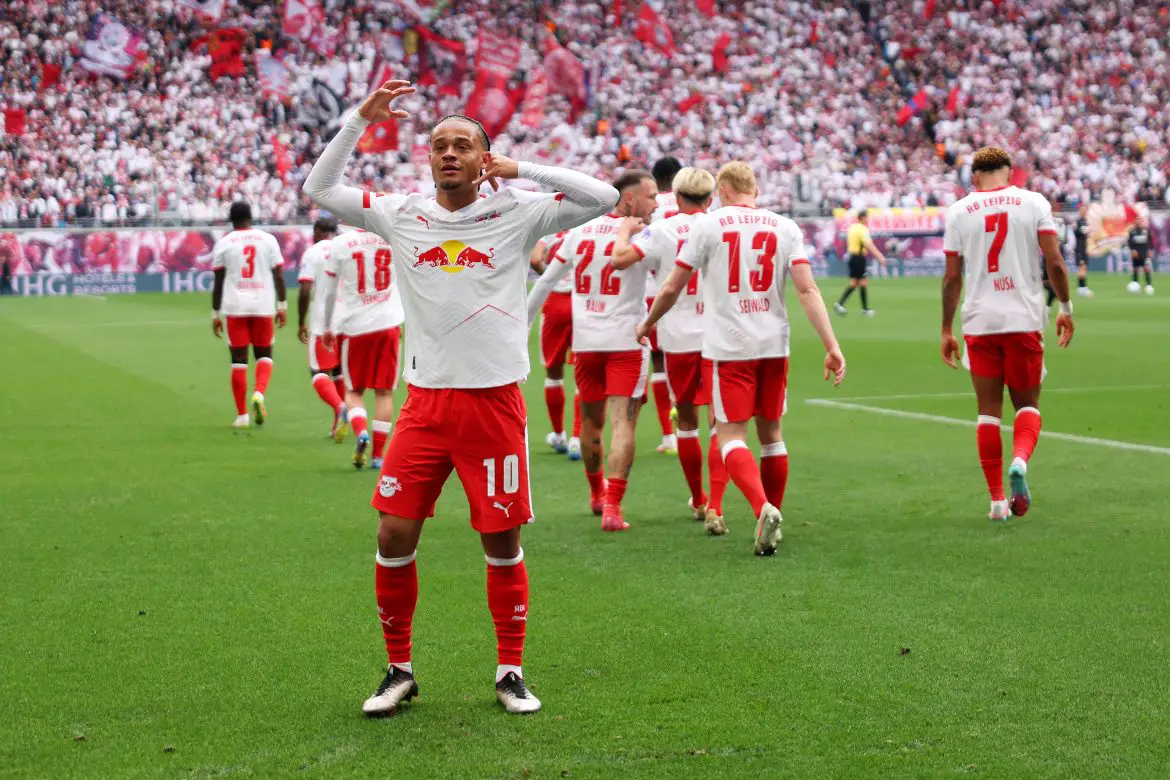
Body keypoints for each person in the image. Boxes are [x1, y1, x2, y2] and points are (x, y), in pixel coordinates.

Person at [302, 78, 618, 716]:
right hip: (423, 406)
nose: (448, 153)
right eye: (439, 144)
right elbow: (319, 189)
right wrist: (361, 119)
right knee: (393, 534)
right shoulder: (401, 212)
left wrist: (520, 168)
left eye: (463, 145)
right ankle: (398, 669)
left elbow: (604, 196)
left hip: (493, 403)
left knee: (500, 543)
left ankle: (510, 672)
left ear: (484, 158)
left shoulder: (520, 211)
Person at [638, 162, 846, 556]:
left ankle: (761, 508)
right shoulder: (785, 227)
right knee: (772, 436)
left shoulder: (709, 225)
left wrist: (648, 322)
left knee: (731, 435)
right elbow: (807, 290)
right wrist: (831, 344)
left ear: (725, 189)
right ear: (755, 188)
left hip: (728, 346)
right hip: (773, 343)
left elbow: (671, 287)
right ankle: (775, 514)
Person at [940, 147, 1075, 522]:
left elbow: (953, 277)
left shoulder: (959, 211)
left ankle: (997, 501)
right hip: (1025, 316)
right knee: (1028, 406)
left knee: (987, 414)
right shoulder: (1033, 202)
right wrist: (1065, 308)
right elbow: (1055, 262)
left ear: (975, 177)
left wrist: (945, 329)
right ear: (1010, 172)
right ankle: (1019, 460)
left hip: (980, 320)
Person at [526, 170, 659, 531]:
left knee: (590, 422)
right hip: (625, 342)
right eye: (651, 196)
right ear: (629, 200)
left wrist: (522, 323)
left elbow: (546, 281)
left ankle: (595, 494)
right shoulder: (643, 234)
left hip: (586, 343)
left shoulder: (579, 233)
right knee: (621, 421)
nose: (656, 203)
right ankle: (614, 507)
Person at [611, 167, 728, 532]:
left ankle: (699, 498)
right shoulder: (722, 226)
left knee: (688, 424)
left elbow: (621, 260)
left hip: (679, 337)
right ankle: (717, 507)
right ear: (710, 199)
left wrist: (623, 231)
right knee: (720, 425)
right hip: (721, 335)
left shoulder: (660, 230)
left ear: (674, 197)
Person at [318, 228, 405, 470]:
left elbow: (329, 291)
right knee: (384, 393)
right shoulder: (391, 237)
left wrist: (327, 326)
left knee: (354, 391)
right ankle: (378, 456)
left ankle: (361, 431)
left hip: (356, 326)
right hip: (388, 323)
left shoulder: (341, 243)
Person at [211, 202, 287, 429]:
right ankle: (259, 393)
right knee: (264, 355)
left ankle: (242, 415)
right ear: (251, 217)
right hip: (263, 306)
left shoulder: (224, 243)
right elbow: (279, 276)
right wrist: (282, 305)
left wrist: (215, 313)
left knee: (238, 362)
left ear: (231, 219)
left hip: (235, 308)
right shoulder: (268, 239)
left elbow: (218, 282)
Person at [529, 231, 583, 459]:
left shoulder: (551, 230)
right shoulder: (588, 227)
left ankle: (559, 434)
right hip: (582, 300)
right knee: (585, 374)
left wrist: (552, 276)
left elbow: (534, 259)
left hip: (556, 301)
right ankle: (578, 438)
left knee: (553, 373)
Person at [644, 156, 685, 454]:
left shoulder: (653, 206)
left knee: (658, 363)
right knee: (695, 359)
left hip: (656, 291)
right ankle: (698, 426)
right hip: (694, 292)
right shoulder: (695, 205)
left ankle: (669, 437)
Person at [296, 217, 348, 440]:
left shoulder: (313, 252)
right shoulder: (346, 247)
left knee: (318, 372)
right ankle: (340, 421)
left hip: (322, 321)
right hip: (348, 319)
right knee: (339, 371)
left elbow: (306, 289)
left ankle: (340, 408)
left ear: (317, 231)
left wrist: (300, 321)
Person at [833, 209, 888, 317]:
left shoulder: (852, 228)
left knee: (856, 282)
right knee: (861, 282)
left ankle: (842, 304)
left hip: (852, 257)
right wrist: (880, 257)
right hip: (859, 258)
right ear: (862, 218)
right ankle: (863, 309)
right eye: (867, 217)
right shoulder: (863, 230)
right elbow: (869, 245)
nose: (868, 220)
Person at [1128, 217, 1155, 295]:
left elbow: (1151, 241)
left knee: (1146, 268)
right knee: (1135, 269)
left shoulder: (1146, 230)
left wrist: (1150, 250)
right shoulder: (1132, 231)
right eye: (1137, 220)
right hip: (1136, 253)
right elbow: (1129, 242)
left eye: (1140, 220)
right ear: (1135, 221)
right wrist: (1132, 250)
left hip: (1144, 253)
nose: (1138, 222)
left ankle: (1149, 285)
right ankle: (1135, 284)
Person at [1072, 204, 1095, 297]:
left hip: (1084, 246)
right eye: (1083, 210)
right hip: (1079, 246)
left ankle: (1082, 287)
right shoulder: (1077, 221)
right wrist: (1083, 231)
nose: (1084, 211)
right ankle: (1082, 287)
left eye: (1085, 210)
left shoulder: (1086, 221)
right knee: (1082, 266)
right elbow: (1076, 233)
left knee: (1084, 267)